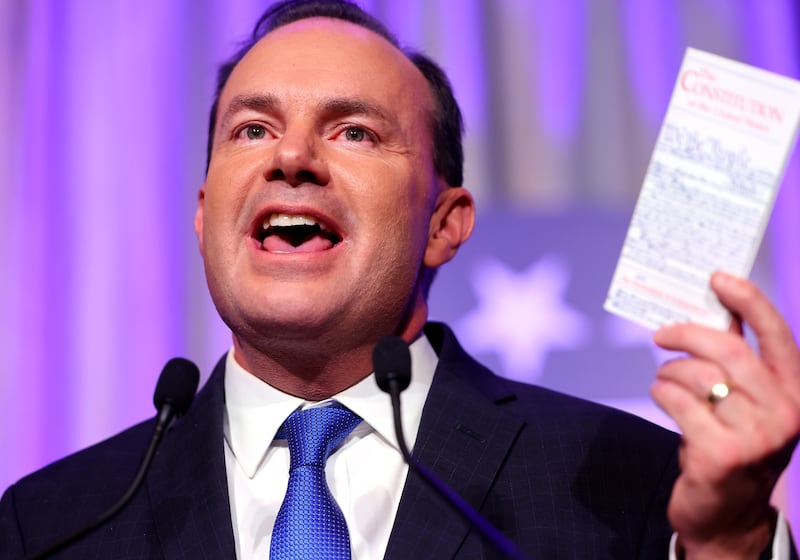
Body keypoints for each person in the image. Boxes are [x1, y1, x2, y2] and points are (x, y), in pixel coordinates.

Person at [1, 0, 799, 558]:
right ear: (206, 214)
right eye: (253, 128)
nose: (291, 158)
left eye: (354, 130)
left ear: (446, 225)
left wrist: (727, 544)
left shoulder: (631, 482)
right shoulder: (53, 523)